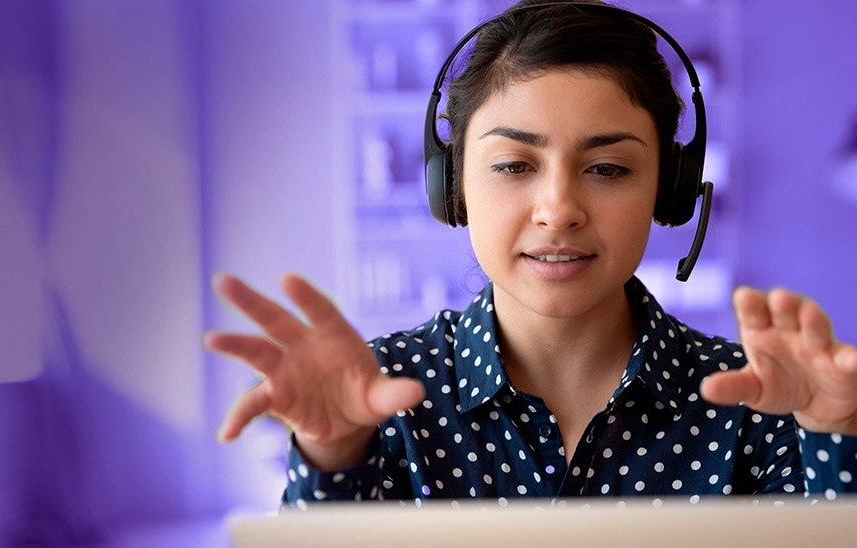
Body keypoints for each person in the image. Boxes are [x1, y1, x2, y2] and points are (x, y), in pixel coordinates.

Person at [205, 0, 857, 506]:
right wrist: (332, 456)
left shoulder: (758, 403)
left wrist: (836, 436)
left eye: (607, 168)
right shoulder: (377, 398)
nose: (558, 208)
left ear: (671, 187)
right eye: (515, 166)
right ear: (452, 186)